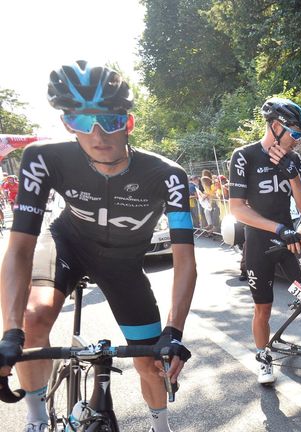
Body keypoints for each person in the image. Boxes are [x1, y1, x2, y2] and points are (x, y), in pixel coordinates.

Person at [0, 60, 196, 432]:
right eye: (79, 122)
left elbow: (185, 260)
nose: (96, 135)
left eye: (108, 120)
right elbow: (20, 248)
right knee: (33, 318)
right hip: (67, 244)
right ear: (65, 125)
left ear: (129, 123)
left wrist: (175, 331)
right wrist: (11, 333)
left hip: (123, 265)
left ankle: (162, 427)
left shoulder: (167, 175)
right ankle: (37, 420)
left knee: (152, 361)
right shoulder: (43, 158)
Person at [227, 97, 301, 385]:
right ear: (276, 126)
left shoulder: (293, 158)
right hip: (260, 244)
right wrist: (278, 228)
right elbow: (237, 208)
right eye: (295, 134)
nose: (298, 140)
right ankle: (263, 356)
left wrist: (292, 174)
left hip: (290, 244)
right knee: (263, 308)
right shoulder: (244, 156)